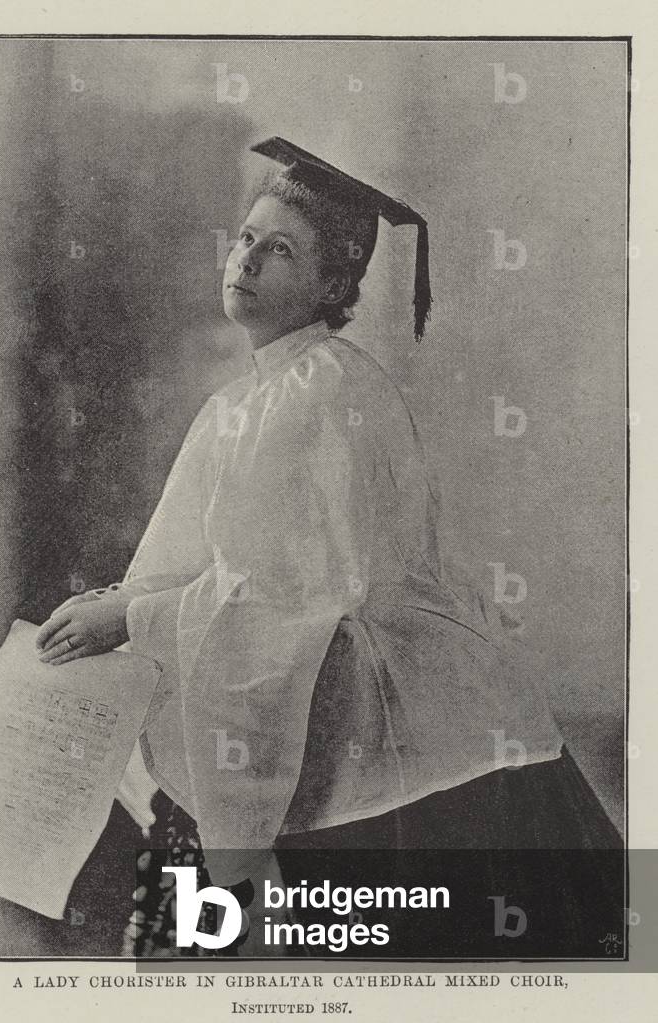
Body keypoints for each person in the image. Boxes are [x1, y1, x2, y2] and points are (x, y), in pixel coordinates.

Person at [35, 138, 622, 958]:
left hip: (394, 709)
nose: (246, 261)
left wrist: (135, 616)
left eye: (280, 251)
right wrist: (118, 606)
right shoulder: (241, 402)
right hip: (302, 686)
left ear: (333, 285)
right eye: (245, 239)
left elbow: (293, 593)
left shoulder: (328, 388)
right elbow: (209, 567)